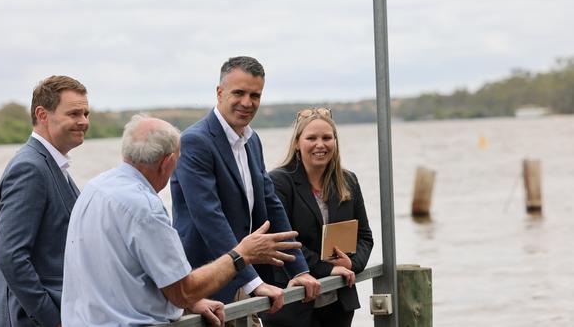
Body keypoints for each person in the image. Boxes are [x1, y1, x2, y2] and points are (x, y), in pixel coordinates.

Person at [61, 114, 303, 327]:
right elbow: (182, 291)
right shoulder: (145, 208)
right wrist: (241, 255)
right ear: (167, 162)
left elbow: (124, 268)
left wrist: (192, 302)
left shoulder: (95, 187)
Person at [170, 56, 321, 321]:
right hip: (206, 287)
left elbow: (271, 205)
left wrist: (299, 270)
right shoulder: (195, 141)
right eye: (238, 93)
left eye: (255, 95)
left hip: (246, 281)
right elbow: (209, 218)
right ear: (219, 92)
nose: (247, 103)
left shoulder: (252, 140)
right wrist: (253, 282)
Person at [0, 76, 90, 327]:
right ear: (42, 114)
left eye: (86, 113)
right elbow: (11, 256)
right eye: (74, 113)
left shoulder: (52, 164)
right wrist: (54, 320)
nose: (83, 121)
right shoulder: (30, 168)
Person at [264, 107, 374, 327]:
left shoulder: (348, 181)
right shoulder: (278, 182)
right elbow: (283, 241)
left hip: (338, 304)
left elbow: (365, 237)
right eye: (311, 138)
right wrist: (328, 269)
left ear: (335, 141)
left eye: (327, 137)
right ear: (297, 142)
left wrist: (351, 263)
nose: (320, 144)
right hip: (292, 306)